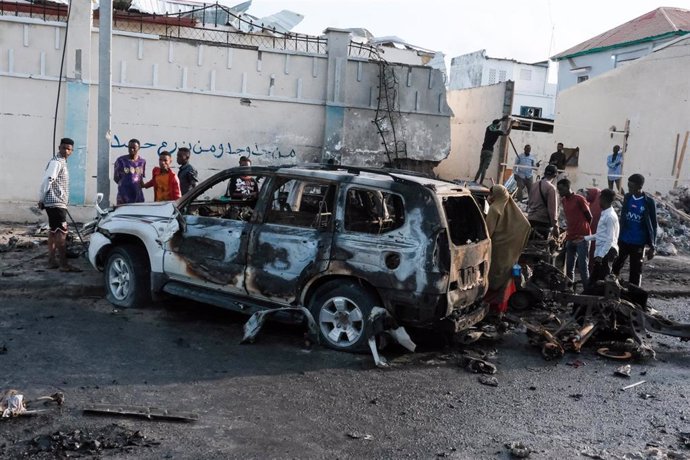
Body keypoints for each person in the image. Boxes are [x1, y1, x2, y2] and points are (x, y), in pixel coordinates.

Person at [484, 184, 531, 313]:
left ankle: (490, 310)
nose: (490, 197)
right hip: (509, 254)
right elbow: (526, 226)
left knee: (491, 279)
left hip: (496, 252)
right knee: (504, 279)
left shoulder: (494, 209)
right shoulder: (513, 209)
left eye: (492, 194)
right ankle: (500, 310)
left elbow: (487, 232)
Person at [37, 138, 81, 272]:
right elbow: (48, 179)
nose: (66, 151)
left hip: (56, 202)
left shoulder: (61, 162)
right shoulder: (56, 162)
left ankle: (52, 261)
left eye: (69, 149)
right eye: (63, 148)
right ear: (59, 148)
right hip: (55, 202)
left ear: (72, 151)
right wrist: (41, 198)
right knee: (62, 233)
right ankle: (64, 264)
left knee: (53, 232)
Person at [612, 174, 658, 286]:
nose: (629, 188)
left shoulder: (649, 202)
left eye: (631, 186)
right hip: (623, 239)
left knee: (635, 271)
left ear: (639, 186)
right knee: (615, 266)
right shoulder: (628, 197)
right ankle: (612, 290)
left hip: (638, 243)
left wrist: (653, 246)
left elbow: (654, 224)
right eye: (628, 186)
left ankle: (634, 297)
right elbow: (623, 218)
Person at [557, 178, 592, 288]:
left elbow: (589, 217)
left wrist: (584, 233)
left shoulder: (579, 199)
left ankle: (587, 291)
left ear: (568, 188)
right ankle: (569, 291)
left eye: (561, 189)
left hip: (581, 239)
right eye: (558, 190)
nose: (560, 192)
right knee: (569, 268)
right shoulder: (564, 201)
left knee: (583, 268)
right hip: (570, 238)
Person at [585, 188, 619, 284]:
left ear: (603, 199)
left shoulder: (610, 216)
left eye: (599, 199)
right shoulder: (605, 214)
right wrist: (584, 238)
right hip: (603, 251)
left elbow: (610, 239)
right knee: (594, 281)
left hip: (607, 251)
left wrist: (601, 255)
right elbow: (601, 235)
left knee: (604, 281)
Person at [474, 116, 510, 185]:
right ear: (497, 126)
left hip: (483, 150)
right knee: (484, 168)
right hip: (489, 151)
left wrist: (501, 119)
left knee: (480, 167)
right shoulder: (497, 132)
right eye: (499, 125)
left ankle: (475, 180)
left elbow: (494, 123)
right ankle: (480, 182)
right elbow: (507, 133)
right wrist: (511, 124)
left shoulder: (488, 128)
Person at [527, 164, 559, 239]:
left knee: (530, 246)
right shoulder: (551, 188)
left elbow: (529, 202)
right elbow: (552, 210)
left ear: (544, 173)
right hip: (543, 222)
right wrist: (556, 227)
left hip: (531, 220)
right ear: (555, 175)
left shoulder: (534, 185)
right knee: (541, 248)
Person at [114, 138, 146, 204]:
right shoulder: (121, 160)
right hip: (124, 196)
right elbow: (116, 178)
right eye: (130, 147)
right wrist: (126, 184)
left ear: (139, 148)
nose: (131, 149)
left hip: (138, 196)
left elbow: (141, 178)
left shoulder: (142, 162)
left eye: (134, 147)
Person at [584, 188, 602, 270]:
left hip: (595, 233)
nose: (587, 196)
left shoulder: (595, 207)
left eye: (588, 194)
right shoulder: (593, 204)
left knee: (593, 251)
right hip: (593, 233)